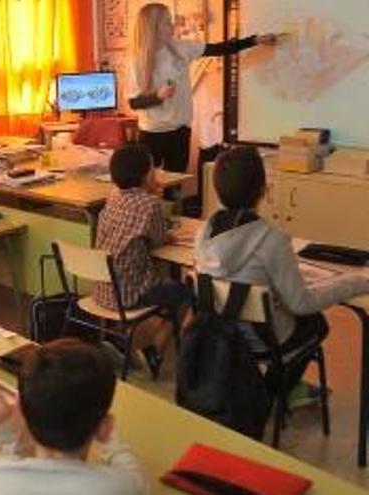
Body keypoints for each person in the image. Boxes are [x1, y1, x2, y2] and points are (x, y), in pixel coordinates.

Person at [195, 147, 369, 397]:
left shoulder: (204, 232)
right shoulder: (272, 239)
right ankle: (273, 394)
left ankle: (263, 387)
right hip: (264, 341)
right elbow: (300, 303)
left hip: (221, 333)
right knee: (317, 324)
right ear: (264, 190)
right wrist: (354, 283)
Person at [0, 339, 148, 495]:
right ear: (104, 429)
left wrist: (3, 421)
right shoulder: (116, 487)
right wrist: (111, 439)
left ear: (20, 410)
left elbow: (18, 459)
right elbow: (139, 481)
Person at [127, 3, 280, 175]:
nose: (172, 25)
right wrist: (158, 96)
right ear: (152, 27)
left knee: (175, 187)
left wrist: (254, 40)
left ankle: (175, 203)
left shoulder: (180, 47)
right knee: (148, 186)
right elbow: (133, 102)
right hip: (151, 133)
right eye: (166, 22)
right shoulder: (137, 61)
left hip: (180, 131)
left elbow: (219, 48)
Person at [93, 144, 191, 377]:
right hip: (129, 294)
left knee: (161, 282)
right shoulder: (150, 205)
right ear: (147, 175)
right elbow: (157, 241)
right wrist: (168, 231)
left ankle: (119, 339)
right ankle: (155, 349)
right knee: (186, 292)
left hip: (101, 290)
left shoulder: (113, 196)